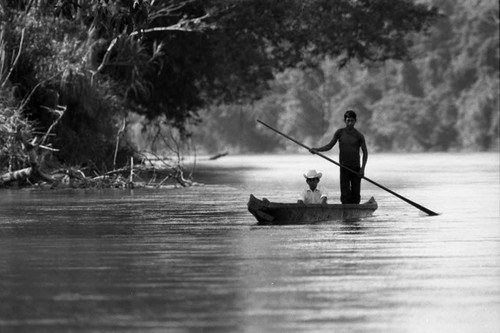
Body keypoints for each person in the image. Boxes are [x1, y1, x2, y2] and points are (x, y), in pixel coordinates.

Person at [310, 110, 368, 204]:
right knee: (345, 194)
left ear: (355, 121)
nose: (350, 123)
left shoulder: (359, 136)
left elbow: (365, 153)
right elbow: (329, 146)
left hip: (356, 169)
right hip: (344, 167)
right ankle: (345, 211)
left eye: (352, 121)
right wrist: (317, 150)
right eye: (348, 120)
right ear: (344, 120)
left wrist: (362, 169)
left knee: (355, 194)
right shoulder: (340, 133)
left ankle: (355, 213)